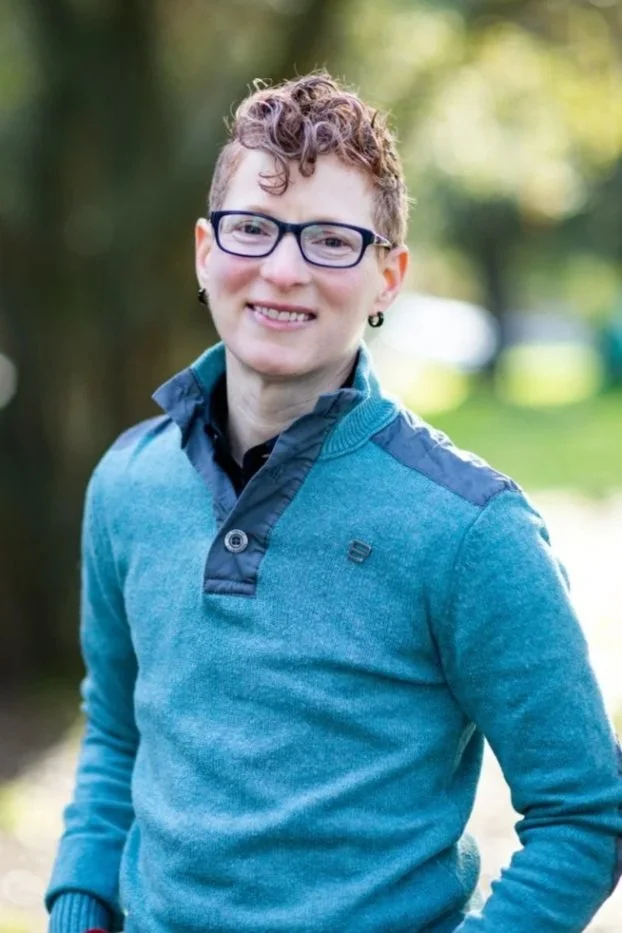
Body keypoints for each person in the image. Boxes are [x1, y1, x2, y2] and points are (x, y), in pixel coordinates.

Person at [46, 73, 622, 933]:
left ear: (388, 276)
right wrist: (79, 907)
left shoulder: (469, 529)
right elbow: (118, 736)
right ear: (205, 250)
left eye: (329, 240)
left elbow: (585, 812)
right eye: (253, 229)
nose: (282, 270)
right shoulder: (128, 483)